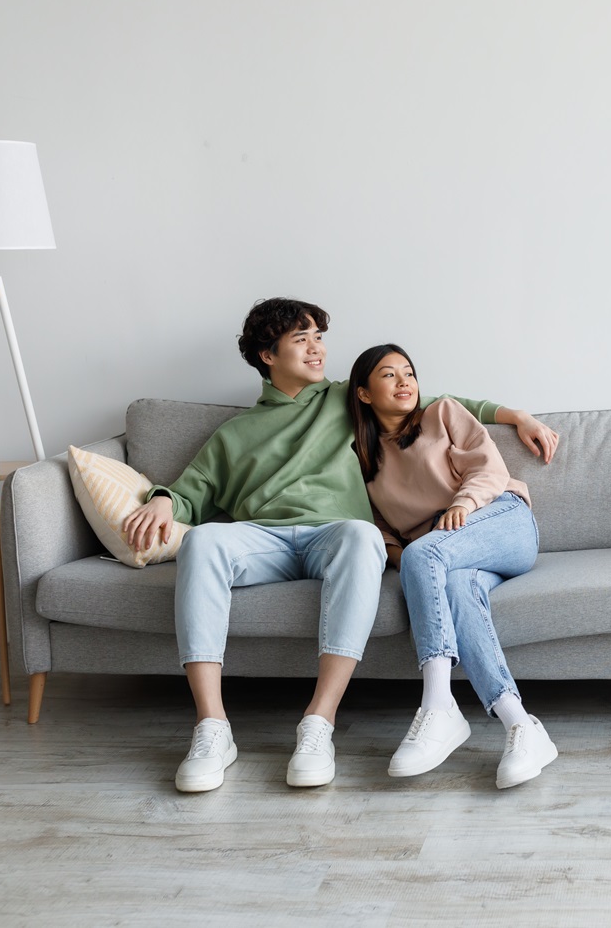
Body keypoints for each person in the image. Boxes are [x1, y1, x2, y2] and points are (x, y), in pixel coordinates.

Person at [120, 299, 558, 794]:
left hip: (344, 535)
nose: (317, 349)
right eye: (301, 339)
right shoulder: (233, 435)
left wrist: (516, 415)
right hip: (264, 538)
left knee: (368, 535)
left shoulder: (345, 397)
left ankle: (321, 724)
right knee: (201, 541)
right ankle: (212, 729)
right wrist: (160, 499)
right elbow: (190, 491)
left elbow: (430, 403)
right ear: (268, 355)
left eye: (319, 338)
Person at [347, 344, 555, 789]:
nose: (405, 382)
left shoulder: (441, 412)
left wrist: (461, 505)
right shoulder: (362, 458)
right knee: (455, 586)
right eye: (389, 375)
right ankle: (523, 726)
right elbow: (377, 524)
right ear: (363, 394)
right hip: (451, 556)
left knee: (427, 552)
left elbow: (489, 467)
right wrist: (401, 556)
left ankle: (438, 705)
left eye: (409, 372)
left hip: (501, 519)